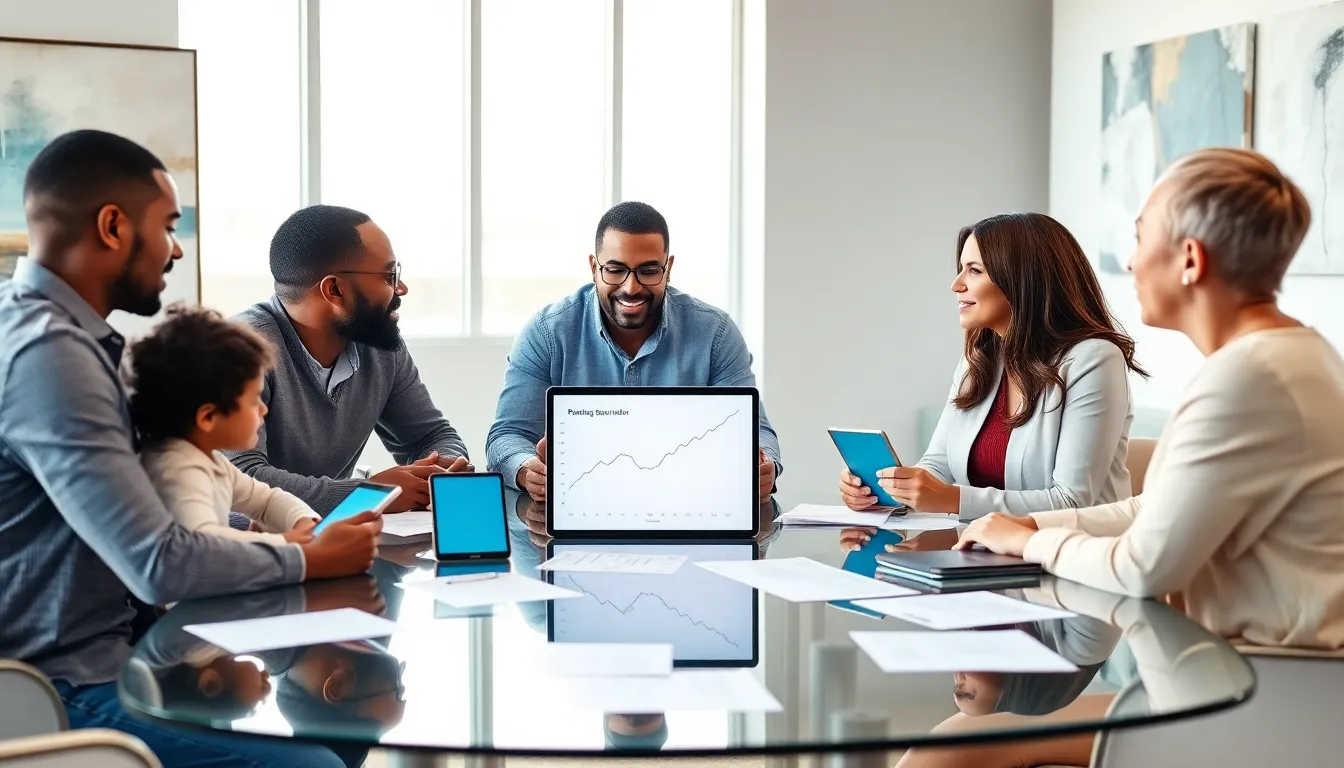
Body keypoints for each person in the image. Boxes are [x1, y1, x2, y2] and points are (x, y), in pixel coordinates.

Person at [0, 130, 380, 767]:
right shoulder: (51, 357)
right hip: (65, 680)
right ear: (114, 226)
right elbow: (159, 563)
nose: (176, 249)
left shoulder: (65, 338)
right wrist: (308, 558)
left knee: (333, 731)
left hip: (126, 644)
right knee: (309, 764)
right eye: (169, 226)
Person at [958, 148, 1344, 651]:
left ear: (1189, 258)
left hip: (1269, 689)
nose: (1130, 260)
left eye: (1140, 237)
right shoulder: (1295, 357)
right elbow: (1160, 510)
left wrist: (1030, 542)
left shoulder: (1245, 380)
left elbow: (1142, 569)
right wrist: (1032, 523)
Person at [839, 212, 1144, 519]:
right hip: (986, 554)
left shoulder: (1093, 360)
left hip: (1070, 558)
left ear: (1022, 280)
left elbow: (1072, 501)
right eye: (961, 270)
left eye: (974, 271)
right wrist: (888, 492)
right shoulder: (980, 359)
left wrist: (953, 500)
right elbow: (938, 465)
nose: (956, 285)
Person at [485, 201, 781, 502]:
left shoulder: (715, 333)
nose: (631, 287)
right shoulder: (546, 333)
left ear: (668, 269)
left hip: (686, 509)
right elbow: (506, 436)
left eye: (648, 271)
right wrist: (526, 470)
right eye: (615, 270)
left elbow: (756, 432)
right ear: (593, 267)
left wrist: (764, 467)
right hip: (576, 512)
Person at [227, 205, 471, 515]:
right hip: (237, 551)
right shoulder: (237, 350)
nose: (401, 288)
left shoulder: (380, 345)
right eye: (389, 276)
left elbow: (430, 435)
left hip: (328, 544)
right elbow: (243, 480)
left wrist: (441, 470)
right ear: (334, 290)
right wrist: (371, 496)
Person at [131, 305, 321, 545]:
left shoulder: (212, 461)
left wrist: (303, 522)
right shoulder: (177, 468)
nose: (264, 409)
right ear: (207, 417)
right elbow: (204, 540)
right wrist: (285, 541)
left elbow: (267, 501)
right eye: (254, 401)